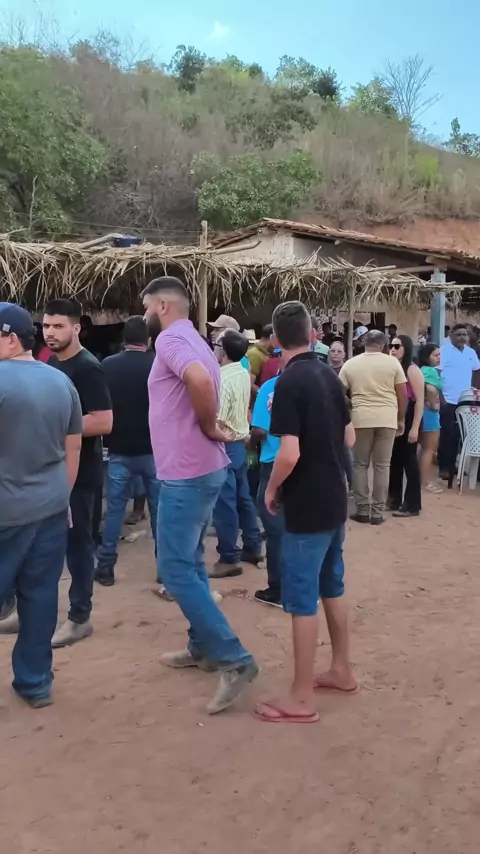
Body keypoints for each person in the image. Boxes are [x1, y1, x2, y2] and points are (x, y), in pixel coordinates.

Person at [143, 276, 258, 714]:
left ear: (162, 307)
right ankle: (203, 647)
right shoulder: (194, 338)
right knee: (189, 561)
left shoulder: (170, 339)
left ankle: (234, 658)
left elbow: (196, 378)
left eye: (147, 307)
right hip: (202, 468)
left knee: (174, 570)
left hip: (186, 472)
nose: (145, 315)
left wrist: (208, 425)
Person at [253, 301, 356, 724]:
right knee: (332, 585)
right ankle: (341, 669)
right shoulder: (329, 375)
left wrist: (271, 488)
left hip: (306, 504)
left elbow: (289, 453)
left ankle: (301, 697)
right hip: (334, 497)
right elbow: (349, 438)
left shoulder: (287, 382)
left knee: (300, 598)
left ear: (277, 339)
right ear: (312, 334)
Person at [0, 304, 82, 707]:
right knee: (40, 596)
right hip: (50, 508)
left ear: (11, 338)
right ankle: (35, 684)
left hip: (7, 513)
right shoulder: (61, 381)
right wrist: (62, 498)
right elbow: (73, 448)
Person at [43, 299, 113, 646]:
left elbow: (104, 421)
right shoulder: (52, 363)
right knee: (43, 544)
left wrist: (54, 427)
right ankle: (28, 610)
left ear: (76, 328)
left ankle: (79, 617)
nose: (50, 333)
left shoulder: (88, 368)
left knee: (79, 546)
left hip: (82, 473)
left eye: (58, 326)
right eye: (46, 326)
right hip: (51, 468)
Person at [95, 316, 158, 587]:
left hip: (118, 449)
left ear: (124, 339)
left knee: (115, 511)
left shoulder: (108, 365)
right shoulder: (157, 364)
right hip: (154, 450)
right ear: (148, 340)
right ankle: (165, 570)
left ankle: (105, 568)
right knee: (160, 514)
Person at [340, 330, 407, 525]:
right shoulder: (393, 363)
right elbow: (402, 394)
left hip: (361, 418)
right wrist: (401, 418)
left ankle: (362, 510)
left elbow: (337, 392)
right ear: (384, 345)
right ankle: (378, 512)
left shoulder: (351, 364)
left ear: (363, 342)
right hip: (387, 418)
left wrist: (351, 404)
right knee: (382, 465)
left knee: (360, 465)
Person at [210, 330, 263, 578]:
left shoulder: (221, 380)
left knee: (225, 504)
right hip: (239, 442)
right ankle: (252, 546)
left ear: (223, 350)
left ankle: (229, 556)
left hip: (225, 444)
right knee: (243, 498)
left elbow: (217, 421)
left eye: (216, 345)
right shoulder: (242, 372)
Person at [250, 361, 284, 607]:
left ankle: (279, 590)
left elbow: (260, 431)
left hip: (275, 463)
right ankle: (307, 587)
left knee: (276, 529)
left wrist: (250, 441)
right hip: (311, 465)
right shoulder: (323, 382)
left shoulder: (271, 387)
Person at [387, 335, 424, 517]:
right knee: (394, 459)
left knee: (409, 460)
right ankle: (394, 499)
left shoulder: (412, 369)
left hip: (410, 417)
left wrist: (415, 427)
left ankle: (412, 504)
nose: (393, 349)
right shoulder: (394, 368)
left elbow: (419, 400)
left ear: (406, 348)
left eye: (397, 346)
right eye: (391, 346)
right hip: (396, 416)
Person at [438, 323, 480, 480]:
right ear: (451, 336)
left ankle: (454, 466)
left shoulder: (470, 352)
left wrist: (474, 392)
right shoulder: (443, 351)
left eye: (464, 335)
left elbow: (476, 371)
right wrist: (440, 398)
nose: (462, 337)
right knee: (446, 434)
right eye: (459, 335)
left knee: (459, 435)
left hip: (465, 401)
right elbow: (437, 374)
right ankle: (443, 467)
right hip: (448, 400)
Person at [418, 343, 443, 493]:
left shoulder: (421, 370)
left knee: (424, 449)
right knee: (430, 448)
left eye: (439, 354)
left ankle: (422, 480)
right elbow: (431, 389)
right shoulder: (430, 371)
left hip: (421, 411)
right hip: (430, 413)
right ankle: (425, 482)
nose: (439, 358)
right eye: (435, 355)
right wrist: (434, 404)